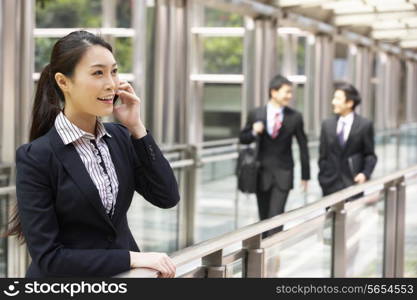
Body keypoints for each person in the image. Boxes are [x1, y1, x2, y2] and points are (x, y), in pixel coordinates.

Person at [5, 31, 179, 278]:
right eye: (98, 73)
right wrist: (132, 258)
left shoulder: (119, 137)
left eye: (114, 71)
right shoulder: (36, 156)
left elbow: (167, 196)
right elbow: (49, 257)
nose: (111, 83)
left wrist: (137, 129)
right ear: (64, 82)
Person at [239, 74, 310, 235]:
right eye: (287, 92)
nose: (290, 96)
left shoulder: (295, 117)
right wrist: (253, 131)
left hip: (283, 174)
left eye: (291, 93)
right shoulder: (256, 114)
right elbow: (243, 138)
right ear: (273, 92)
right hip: (260, 173)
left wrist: (305, 176)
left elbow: (303, 146)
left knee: (276, 219)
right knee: (263, 220)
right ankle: (265, 257)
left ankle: (273, 254)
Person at [318, 82, 377, 197]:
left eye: (337, 98)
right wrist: (323, 178)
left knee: (352, 215)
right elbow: (322, 155)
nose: (333, 102)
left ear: (349, 103)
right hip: (329, 185)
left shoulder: (365, 125)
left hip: (353, 183)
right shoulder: (327, 124)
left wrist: (365, 174)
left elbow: (370, 155)